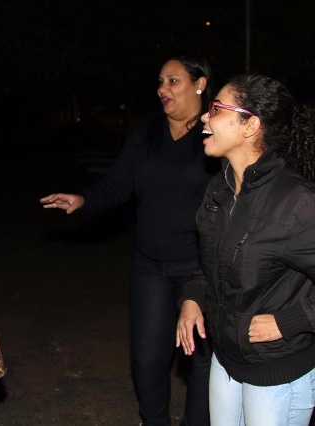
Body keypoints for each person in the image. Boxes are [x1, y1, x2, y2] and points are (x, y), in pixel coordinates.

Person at [40, 52, 219, 426]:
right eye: (160, 82)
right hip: (151, 265)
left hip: (200, 269)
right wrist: (84, 199)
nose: (162, 89)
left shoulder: (215, 134)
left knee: (200, 363)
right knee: (147, 360)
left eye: (173, 80)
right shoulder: (147, 133)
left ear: (200, 83)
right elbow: (119, 185)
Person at [176, 74, 315, 425]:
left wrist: (291, 320)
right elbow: (209, 262)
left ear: (251, 125)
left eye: (217, 109)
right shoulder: (218, 189)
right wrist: (193, 297)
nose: (205, 117)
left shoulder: (296, 203)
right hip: (225, 358)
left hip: (277, 368)